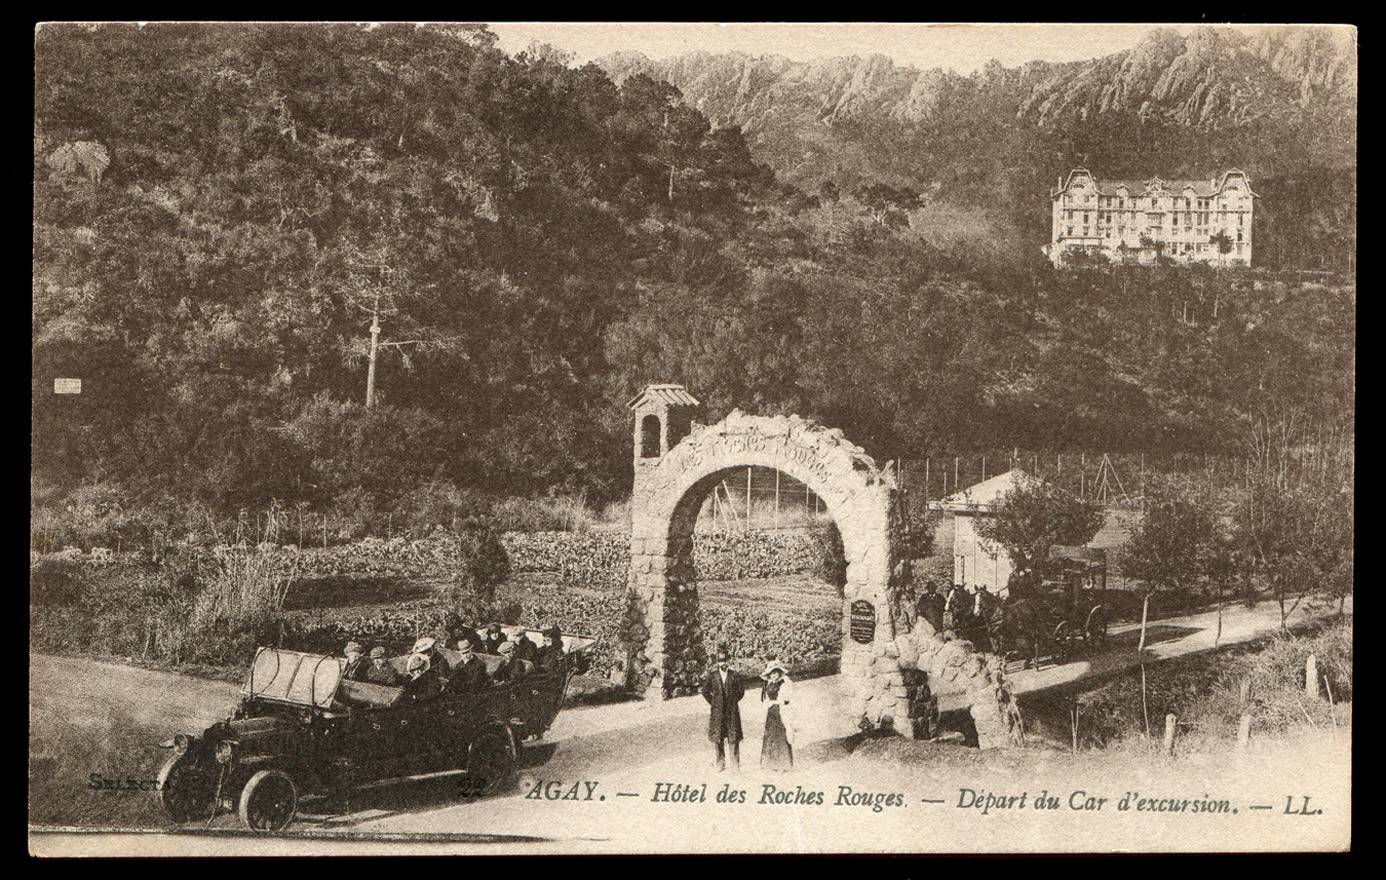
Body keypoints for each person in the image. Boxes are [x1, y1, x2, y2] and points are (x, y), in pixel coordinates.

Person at [701, 646, 747, 771]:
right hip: (718, 711)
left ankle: (735, 765)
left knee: (733, 737)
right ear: (717, 662)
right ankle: (720, 764)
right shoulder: (713, 676)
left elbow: (741, 691)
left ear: (728, 661)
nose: (723, 663)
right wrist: (715, 703)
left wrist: (733, 701)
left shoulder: (734, 675)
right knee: (718, 737)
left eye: (725, 660)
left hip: (731, 711)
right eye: (721, 661)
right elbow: (705, 691)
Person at [759, 661, 794, 771]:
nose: (773, 675)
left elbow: (787, 699)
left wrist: (780, 702)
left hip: (780, 712)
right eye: (771, 673)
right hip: (771, 712)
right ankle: (771, 764)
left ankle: (783, 765)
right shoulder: (768, 683)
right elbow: (765, 699)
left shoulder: (784, 683)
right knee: (771, 736)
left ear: (780, 673)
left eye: (775, 672)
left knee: (781, 736)